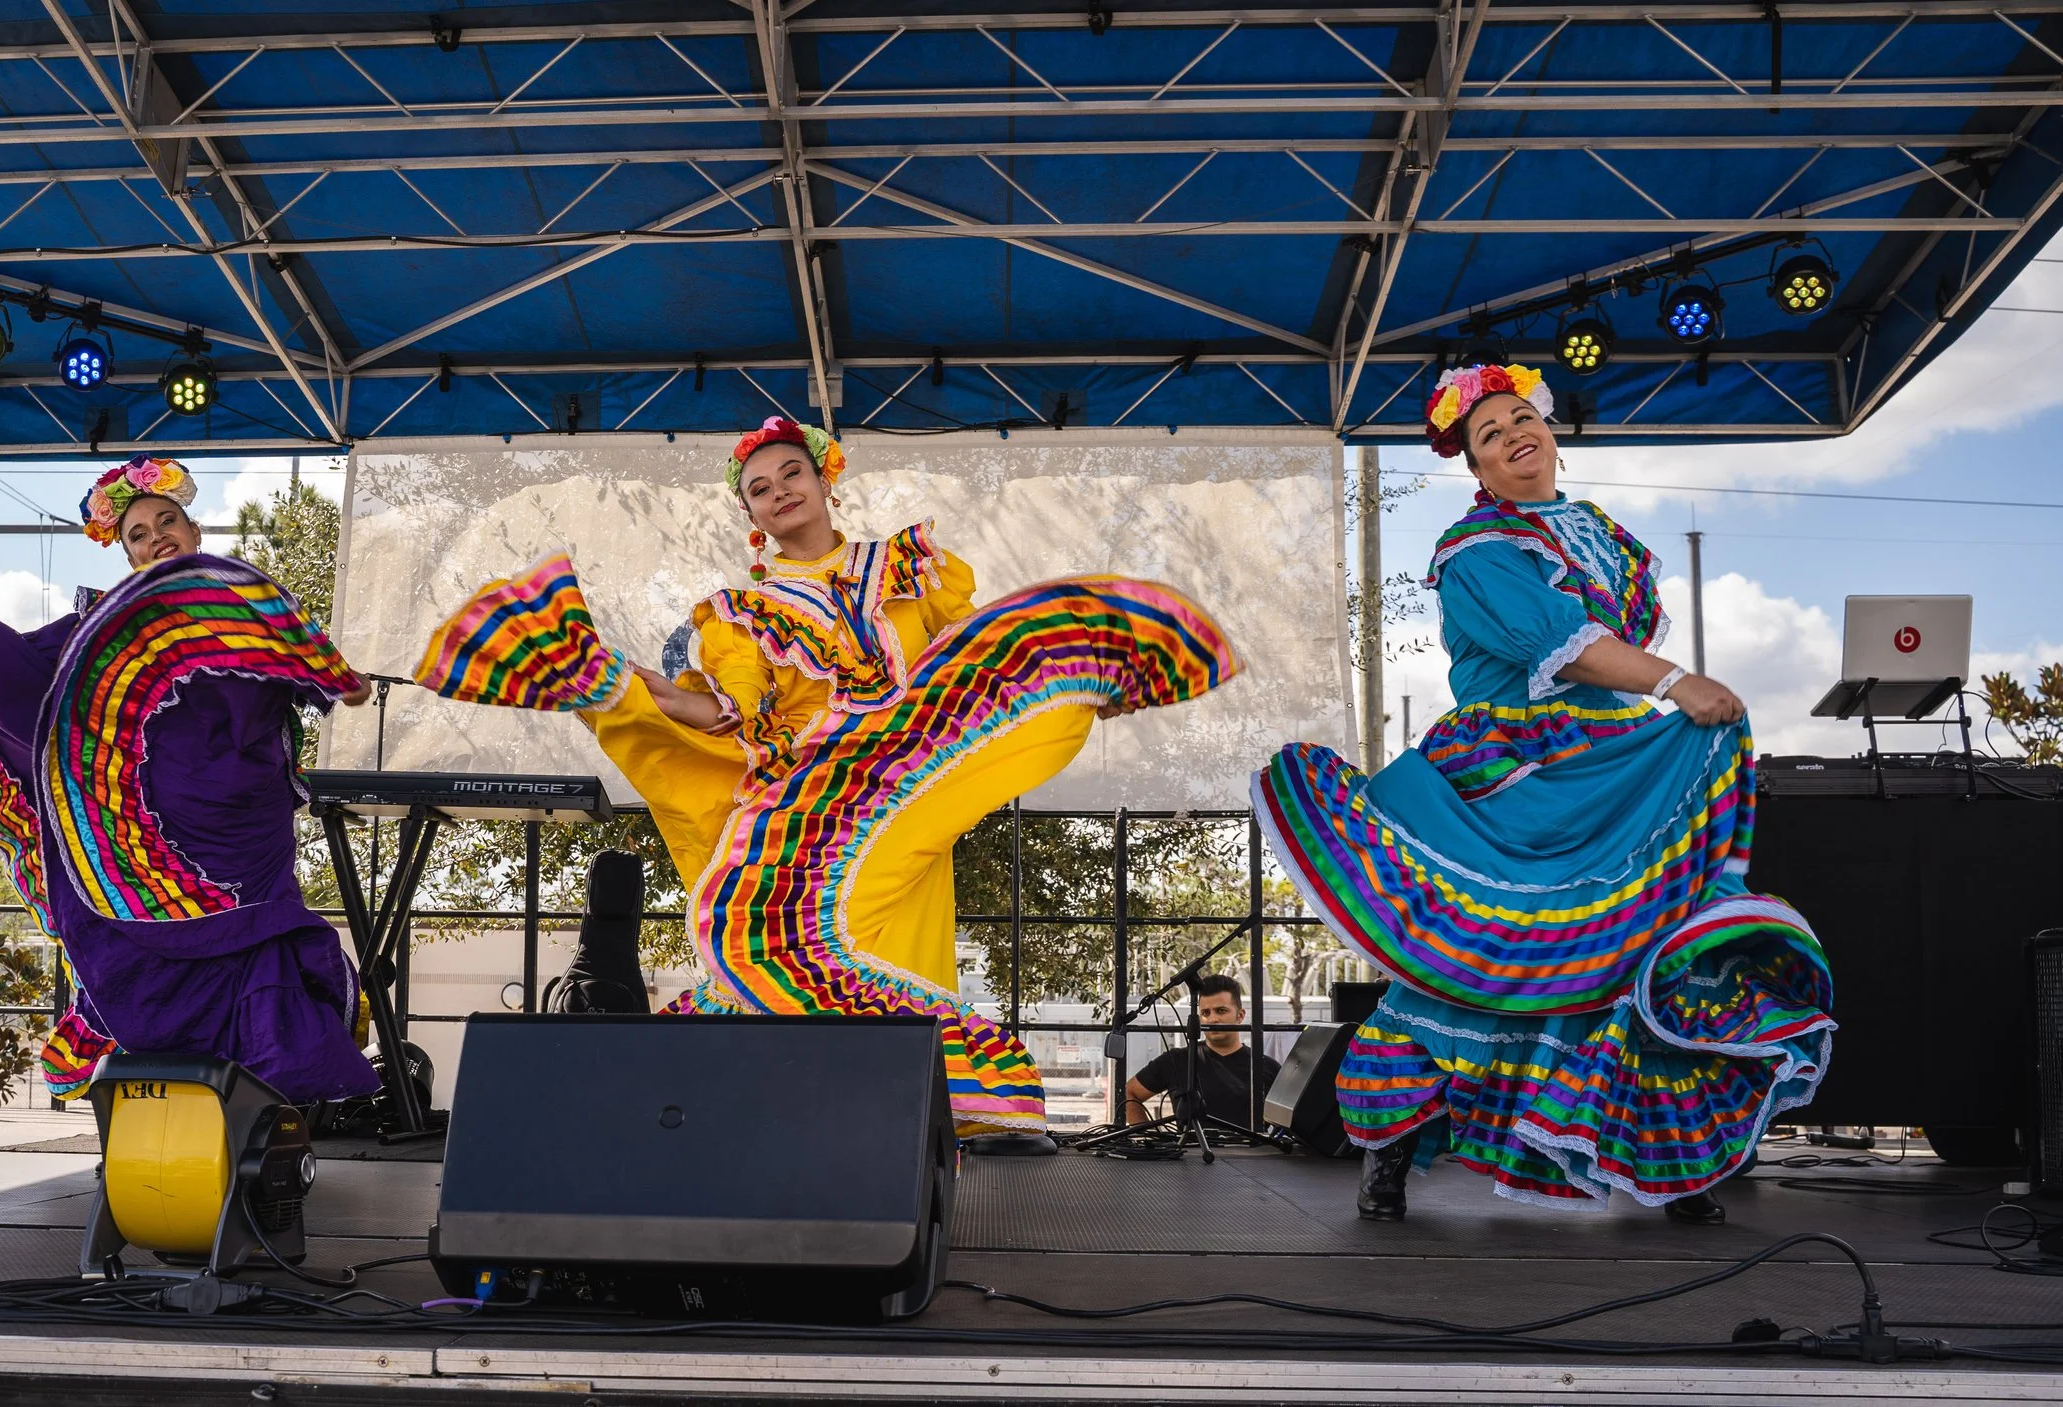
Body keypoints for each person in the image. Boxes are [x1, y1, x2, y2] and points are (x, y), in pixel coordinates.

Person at [415, 416, 1238, 1143]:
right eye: (759, 489)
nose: (778, 494)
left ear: (824, 478)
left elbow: (976, 662)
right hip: (818, 814)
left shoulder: (912, 571)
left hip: (914, 777)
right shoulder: (739, 615)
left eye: (789, 475)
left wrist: (1080, 679)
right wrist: (615, 680)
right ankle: (807, 1119)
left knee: (904, 947)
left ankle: (940, 1111)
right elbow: (720, 715)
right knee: (791, 944)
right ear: (750, 516)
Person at [1254, 365, 1834, 1223]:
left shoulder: (1591, 529)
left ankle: (1667, 1164)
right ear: (1477, 471)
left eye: (1523, 417)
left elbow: (1610, 651)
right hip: (1516, 768)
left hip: (1610, 762)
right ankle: (1389, 1149)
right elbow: (1565, 642)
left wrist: (1672, 698)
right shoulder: (1479, 551)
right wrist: (1676, 681)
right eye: (1489, 434)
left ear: (1551, 431)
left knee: (1637, 943)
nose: (1514, 434)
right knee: (1488, 952)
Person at [0, 456, 379, 1103]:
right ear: (127, 552)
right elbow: (8, 673)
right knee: (41, 728)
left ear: (193, 531)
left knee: (252, 936)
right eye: (138, 533)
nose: (156, 535)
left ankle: (252, 1117)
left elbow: (291, 650)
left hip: (239, 813)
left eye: (167, 521)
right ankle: (190, 1099)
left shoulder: (231, 593)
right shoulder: (100, 627)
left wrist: (328, 673)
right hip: (152, 816)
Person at [1122, 975, 1281, 1129]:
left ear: (1240, 1015)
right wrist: (1147, 1140)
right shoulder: (1176, 1059)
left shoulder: (1266, 1067)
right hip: (1190, 1155)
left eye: (1221, 1011)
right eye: (1206, 1013)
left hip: (1253, 1155)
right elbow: (1129, 1093)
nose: (1212, 1019)